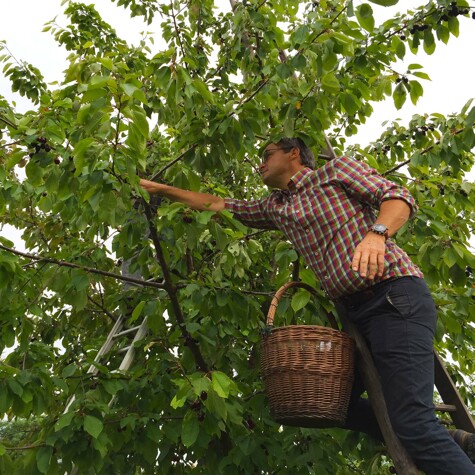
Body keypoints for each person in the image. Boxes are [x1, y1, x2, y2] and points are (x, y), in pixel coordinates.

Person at [139, 138, 475, 474]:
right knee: (326, 405)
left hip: (393, 297)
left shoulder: (335, 171)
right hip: (357, 316)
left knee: (413, 422)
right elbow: (216, 203)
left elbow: (399, 197)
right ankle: (453, 441)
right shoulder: (275, 206)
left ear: (294, 153)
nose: (260, 164)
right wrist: (159, 189)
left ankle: (440, 441)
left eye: (267, 155)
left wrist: (377, 233)